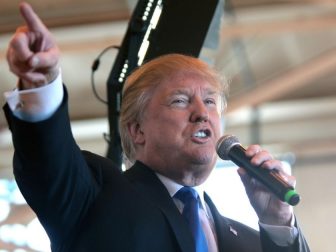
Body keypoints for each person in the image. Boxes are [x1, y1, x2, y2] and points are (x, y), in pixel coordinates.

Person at [3, 2, 310, 252]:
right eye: (180, 101)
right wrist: (41, 86)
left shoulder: (247, 240)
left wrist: (278, 222)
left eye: (210, 101)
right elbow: (50, 162)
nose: (202, 114)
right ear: (137, 130)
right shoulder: (97, 196)